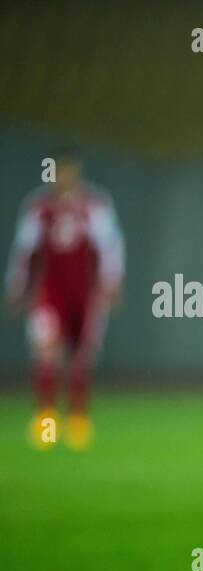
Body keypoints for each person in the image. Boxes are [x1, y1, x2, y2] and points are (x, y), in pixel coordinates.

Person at [5, 147, 124, 450]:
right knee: (46, 354)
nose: (64, 177)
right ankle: (46, 424)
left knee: (81, 358)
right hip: (49, 292)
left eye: (70, 171)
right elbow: (24, 251)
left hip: (85, 294)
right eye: (60, 171)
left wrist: (111, 282)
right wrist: (17, 286)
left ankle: (77, 422)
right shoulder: (38, 208)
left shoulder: (95, 206)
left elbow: (110, 246)